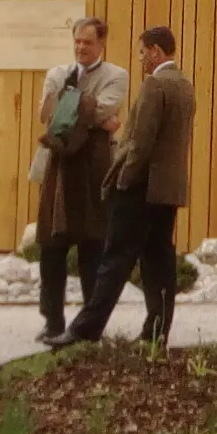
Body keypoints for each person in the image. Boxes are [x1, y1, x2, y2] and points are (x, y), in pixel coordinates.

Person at [66, 25, 194, 348]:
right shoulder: (184, 85)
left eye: (142, 52)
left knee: (115, 260)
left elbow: (140, 143)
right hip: (167, 190)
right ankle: (156, 332)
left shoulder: (154, 85)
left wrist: (123, 181)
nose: (140, 59)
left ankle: (84, 330)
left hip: (140, 188)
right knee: (159, 261)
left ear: (155, 51)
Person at [27, 17, 130, 345]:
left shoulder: (116, 75)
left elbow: (105, 108)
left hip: (93, 169)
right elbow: (47, 116)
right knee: (51, 248)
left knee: (92, 246)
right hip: (57, 169)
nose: (81, 48)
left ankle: (88, 326)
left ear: (101, 43)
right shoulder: (57, 74)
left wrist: (74, 108)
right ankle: (52, 322)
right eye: (77, 42)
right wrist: (93, 116)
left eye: (88, 42)